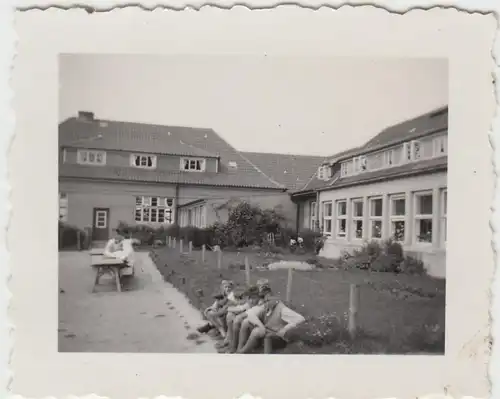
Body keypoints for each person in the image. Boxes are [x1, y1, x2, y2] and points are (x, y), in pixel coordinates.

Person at [237, 297, 306, 354]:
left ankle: (242, 352)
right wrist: (261, 326)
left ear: (275, 301)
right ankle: (239, 349)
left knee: (256, 331)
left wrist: (285, 329)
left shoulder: (282, 309)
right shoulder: (267, 307)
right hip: (268, 330)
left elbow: (301, 318)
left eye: (268, 301)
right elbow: (250, 315)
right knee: (246, 322)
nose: (266, 303)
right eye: (266, 301)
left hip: (278, 336)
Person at [218, 285, 260, 351]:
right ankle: (230, 343)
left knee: (236, 319)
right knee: (230, 316)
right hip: (248, 317)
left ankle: (233, 346)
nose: (251, 300)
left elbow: (243, 309)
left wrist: (227, 309)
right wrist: (228, 309)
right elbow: (241, 307)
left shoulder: (259, 303)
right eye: (250, 297)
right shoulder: (250, 301)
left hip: (255, 322)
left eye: (253, 297)